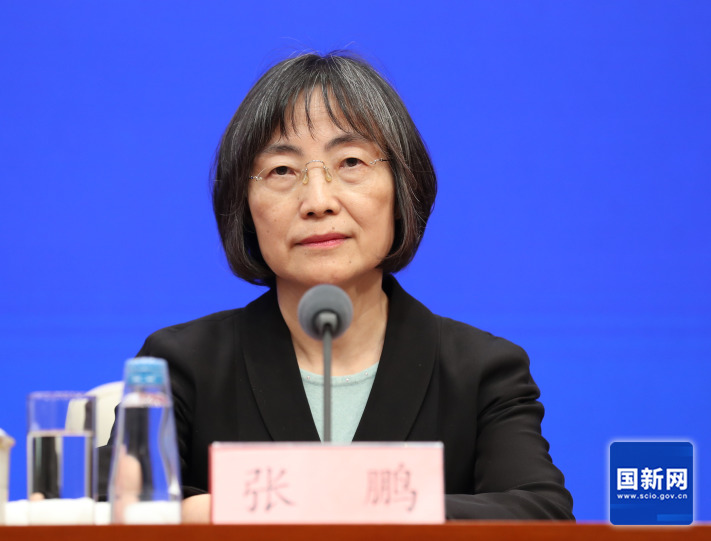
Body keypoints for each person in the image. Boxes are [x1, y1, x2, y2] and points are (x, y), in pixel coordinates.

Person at [102, 51, 574, 522]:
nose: (318, 200)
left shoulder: (482, 371)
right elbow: (109, 504)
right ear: (243, 206)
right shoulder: (181, 365)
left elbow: (542, 514)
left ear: (402, 188)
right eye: (282, 171)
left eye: (350, 161)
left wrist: (317, 505)